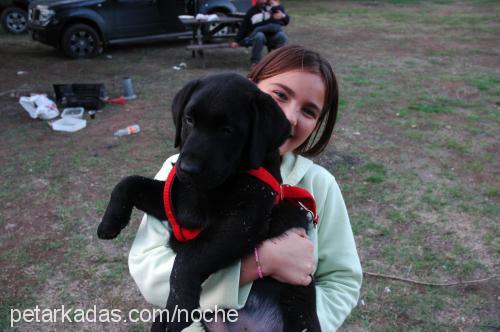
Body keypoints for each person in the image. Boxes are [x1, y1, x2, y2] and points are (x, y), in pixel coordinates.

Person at [128, 45, 362, 331]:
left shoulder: (319, 185)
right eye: (280, 95)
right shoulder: (181, 171)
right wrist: (257, 265)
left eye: (309, 111)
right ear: (248, 87)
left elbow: (343, 280)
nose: (289, 117)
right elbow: (147, 271)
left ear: (318, 124)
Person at [229, 0, 290, 65]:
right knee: (259, 35)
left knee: (282, 36)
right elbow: (244, 27)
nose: (263, 1)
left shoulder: (272, 9)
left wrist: (283, 15)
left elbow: (286, 21)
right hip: (255, 37)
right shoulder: (252, 11)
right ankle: (255, 62)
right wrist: (236, 41)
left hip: (271, 36)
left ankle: (278, 62)